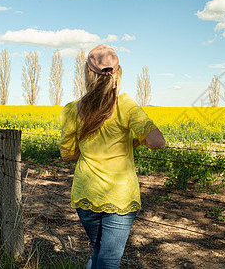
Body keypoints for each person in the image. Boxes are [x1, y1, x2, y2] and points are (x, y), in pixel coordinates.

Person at [59, 44, 165, 269]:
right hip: (120, 197)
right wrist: (136, 141)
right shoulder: (125, 105)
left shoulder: (72, 110)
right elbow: (158, 142)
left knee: (99, 252)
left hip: (86, 193)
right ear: (117, 72)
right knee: (108, 260)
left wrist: (90, 148)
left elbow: (68, 154)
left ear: (88, 74)